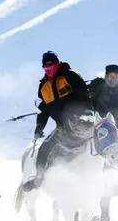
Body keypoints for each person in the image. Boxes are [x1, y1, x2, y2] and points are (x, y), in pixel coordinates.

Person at [26, 51, 91, 189]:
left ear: (57, 63)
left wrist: (82, 114)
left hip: (80, 123)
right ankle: (39, 179)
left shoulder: (70, 76)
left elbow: (85, 97)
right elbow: (43, 111)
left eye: (51, 64)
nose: (48, 68)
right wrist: (39, 129)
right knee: (44, 148)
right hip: (62, 128)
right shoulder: (43, 87)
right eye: (45, 66)